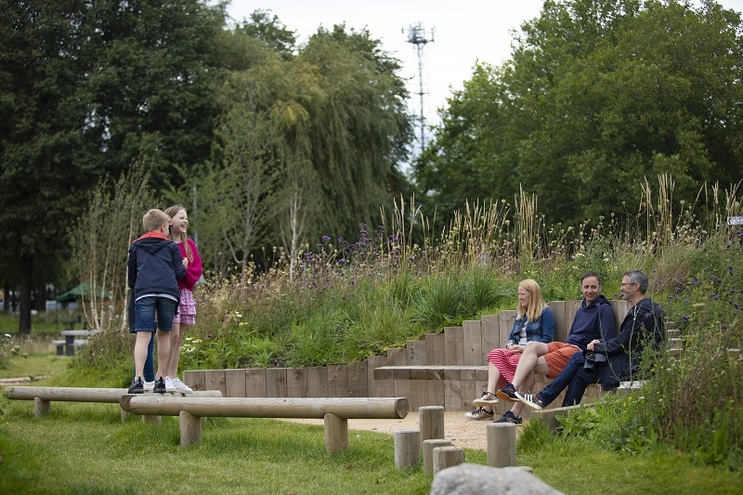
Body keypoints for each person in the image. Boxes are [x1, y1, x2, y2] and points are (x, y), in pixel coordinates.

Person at [517, 270, 664, 410]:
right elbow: (624, 340)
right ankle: (564, 420)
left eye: (624, 285)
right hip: (625, 360)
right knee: (580, 374)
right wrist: (599, 345)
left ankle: (542, 397)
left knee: (578, 357)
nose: (620, 288)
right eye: (586, 286)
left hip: (631, 366)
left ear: (635, 286)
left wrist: (597, 346)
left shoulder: (642, 311)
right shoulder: (640, 309)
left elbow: (621, 343)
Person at [495, 272, 616, 423]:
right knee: (531, 347)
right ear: (581, 288)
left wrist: (595, 342)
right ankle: (513, 387)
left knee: (530, 366)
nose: (589, 290)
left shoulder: (604, 309)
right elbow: (573, 335)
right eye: (586, 287)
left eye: (593, 287)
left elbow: (608, 339)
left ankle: (514, 413)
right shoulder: (582, 309)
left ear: (599, 288)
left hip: (579, 351)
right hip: (566, 345)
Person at [464, 279, 555, 421]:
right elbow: (513, 336)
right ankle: (490, 395)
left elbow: (548, 341)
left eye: (523, 294)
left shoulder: (546, 312)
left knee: (528, 368)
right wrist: (510, 344)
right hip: (516, 351)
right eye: (518, 294)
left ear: (533, 294)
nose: (520, 297)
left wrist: (524, 348)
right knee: (495, 353)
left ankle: (513, 414)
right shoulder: (521, 314)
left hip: (530, 353)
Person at [127, 209, 186, 394]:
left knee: (143, 335)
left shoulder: (136, 246)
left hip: (145, 293)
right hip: (168, 293)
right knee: (164, 335)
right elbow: (179, 275)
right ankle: (161, 379)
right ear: (163, 226)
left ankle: (138, 379)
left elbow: (131, 277)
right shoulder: (171, 247)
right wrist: (183, 265)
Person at [161, 204, 202, 393]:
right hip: (169, 294)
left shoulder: (189, 245)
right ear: (169, 221)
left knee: (179, 338)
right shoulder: (164, 245)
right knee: (172, 335)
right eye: (181, 217)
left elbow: (196, 270)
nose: (185, 221)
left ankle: (173, 375)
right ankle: (163, 376)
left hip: (185, 293)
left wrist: (184, 271)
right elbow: (164, 270)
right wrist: (180, 269)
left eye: (186, 218)